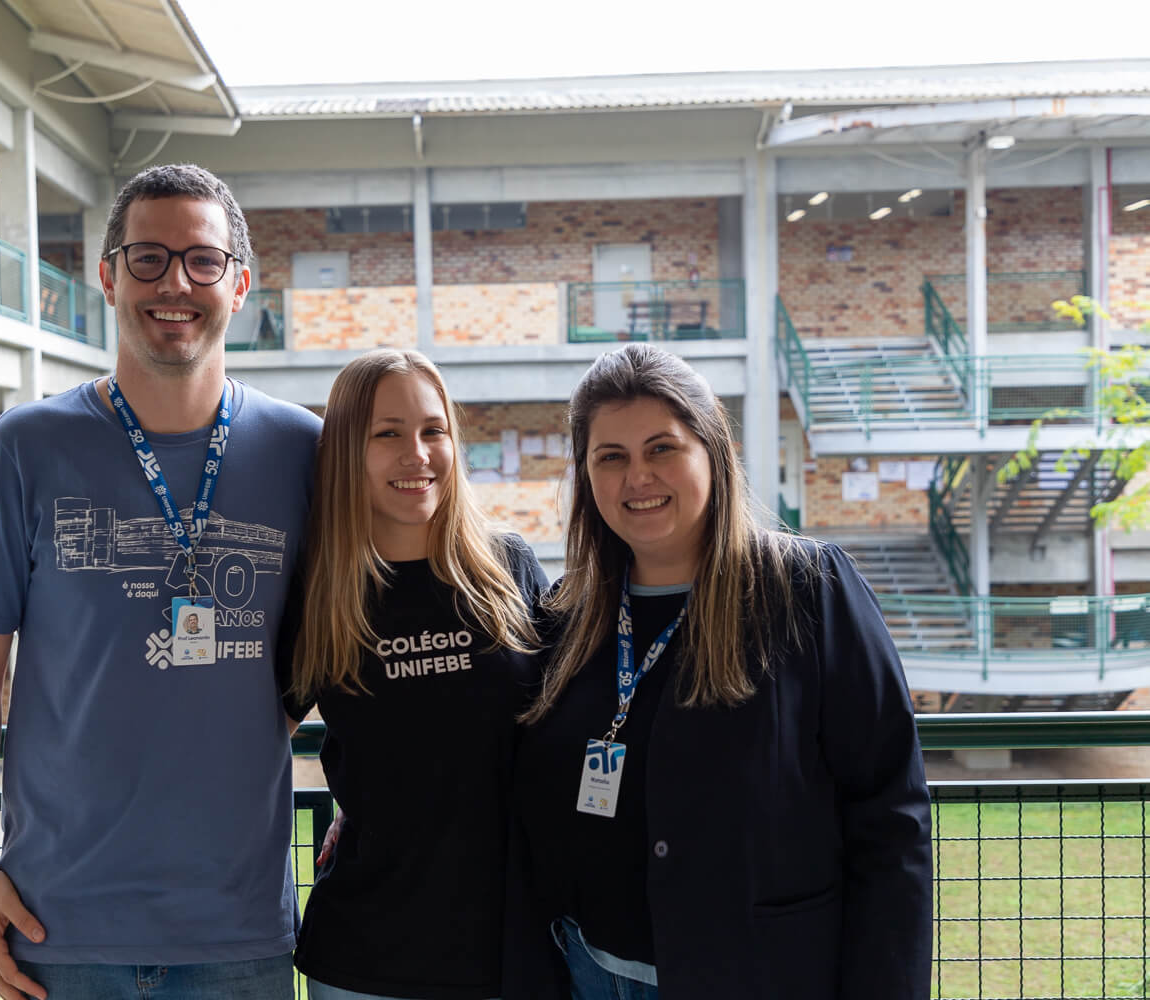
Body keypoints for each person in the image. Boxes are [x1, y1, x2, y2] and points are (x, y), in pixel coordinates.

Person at [0, 164, 321, 1000]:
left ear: (239, 284)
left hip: (236, 932)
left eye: (202, 261)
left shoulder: (304, 451)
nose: (175, 282)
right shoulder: (25, 447)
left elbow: (343, 640)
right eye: (147, 257)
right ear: (107, 275)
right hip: (59, 928)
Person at [506, 343, 931, 999]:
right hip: (589, 972)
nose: (637, 477)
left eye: (662, 449)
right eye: (610, 457)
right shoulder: (565, 614)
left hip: (760, 975)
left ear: (715, 453)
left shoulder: (807, 591)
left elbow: (890, 821)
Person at [281, 349, 547, 1000]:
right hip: (364, 961)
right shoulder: (321, 593)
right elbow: (248, 749)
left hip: (512, 954)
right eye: (387, 434)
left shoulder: (508, 568)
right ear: (348, 450)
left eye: (433, 430)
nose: (417, 454)